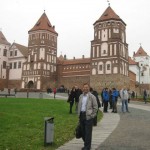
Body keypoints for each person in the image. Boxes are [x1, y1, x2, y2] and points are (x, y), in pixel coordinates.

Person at [78, 83, 98, 150]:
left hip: (88, 116)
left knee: (88, 133)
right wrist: (78, 114)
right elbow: (79, 106)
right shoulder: (80, 96)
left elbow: (95, 107)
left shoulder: (92, 97)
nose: (85, 88)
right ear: (83, 88)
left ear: (88, 88)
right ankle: (86, 144)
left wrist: (92, 115)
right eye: (84, 87)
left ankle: (87, 147)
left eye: (87, 87)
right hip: (81, 115)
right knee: (83, 132)